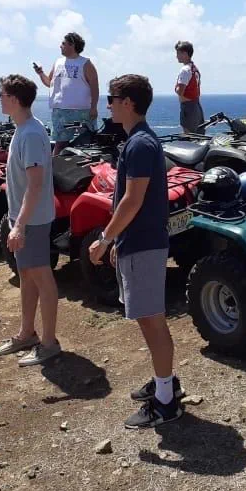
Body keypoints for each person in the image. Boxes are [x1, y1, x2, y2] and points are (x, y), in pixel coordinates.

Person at [88, 74, 182, 429]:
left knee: (152, 321)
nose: (107, 105)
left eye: (111, 99)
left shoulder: (140, 144)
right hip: (139, 242)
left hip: (144, 244)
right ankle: (165, 383)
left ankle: (166, 401)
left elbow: (132, 200)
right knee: (149, 319)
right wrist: (119, 241)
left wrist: (105, 238)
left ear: (128, 102)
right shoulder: (138, 141)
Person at [0, 74, 61, 367]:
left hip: (31, 220)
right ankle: (27, 333)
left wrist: (19, 225)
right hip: (23, 217)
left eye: (2, 95)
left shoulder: (30, 133)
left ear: (15, 99)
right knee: (27, 276)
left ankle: (49, 342)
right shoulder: (24, 128)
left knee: (41, 277)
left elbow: (36, 183)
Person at [33, 32, 99, 155]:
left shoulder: (86, 63)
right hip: (60, 111)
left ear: (72, 45)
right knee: (60, 143)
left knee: (88, 142)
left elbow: (95, 87)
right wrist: (40, 73)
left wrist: (94, 107)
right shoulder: (58, 62)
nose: (60, 46)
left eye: (63, 43)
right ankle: (55, 166)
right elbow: (49, 83)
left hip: (83, 111)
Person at [174, 40, 204, 134]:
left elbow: (180, 91)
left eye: (178, 53)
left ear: (185, 54)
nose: (176, 56)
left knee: (189, 136)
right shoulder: (194, 69)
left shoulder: (185, 70)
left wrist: (176, 88)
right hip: (196, 105)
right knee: (198, 136)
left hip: (188, 107)